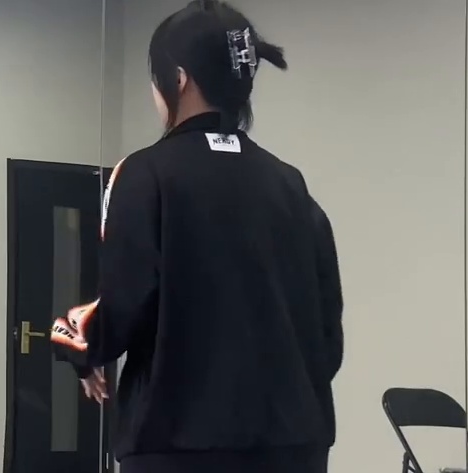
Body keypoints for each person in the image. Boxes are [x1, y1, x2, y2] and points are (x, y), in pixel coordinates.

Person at [50, 2, 343, 473]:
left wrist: (74, 342)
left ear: (180, 79)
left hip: (178, 444)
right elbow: (327, 327)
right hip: (295, 447)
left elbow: (123, 303)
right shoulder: (290, 183)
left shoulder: (144, 174)